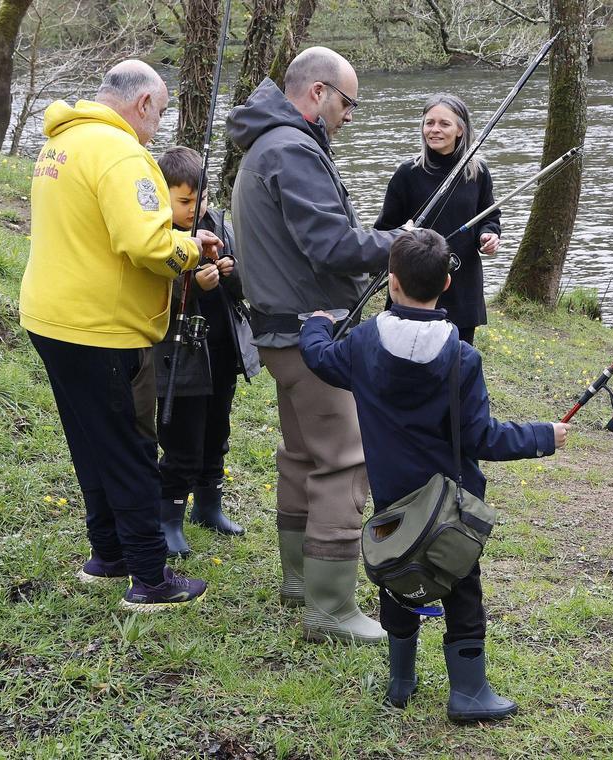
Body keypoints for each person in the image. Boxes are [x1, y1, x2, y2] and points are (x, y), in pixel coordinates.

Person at [299, 229, 570, 722]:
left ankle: (401, 683)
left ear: (392, 281)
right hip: (451, 505)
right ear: (447, 283)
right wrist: (542, 436)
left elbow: (320, 358)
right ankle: (468, 693)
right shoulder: (461, 357)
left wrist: (316, 325)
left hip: (392, 501)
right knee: (462, 587)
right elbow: (483, 437)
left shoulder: (362, 343)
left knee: (398, 577)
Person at [20, 60, 224, 610]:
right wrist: (189, 249)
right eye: (160, 112)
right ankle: (150, 578)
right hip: (101, 328)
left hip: (50, 316)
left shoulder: (61, 143)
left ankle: (107, 553)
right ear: (141, 104)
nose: (158, 125)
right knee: (132, 448)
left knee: (91, 441)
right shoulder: (121, 153)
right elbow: (148, 246)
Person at [226, 46, 403, 643]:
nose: (349, 115)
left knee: (301, 455)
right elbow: (331, 246)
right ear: (318, 93)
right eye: (347, 102)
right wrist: (398, 244)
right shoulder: (293, 150)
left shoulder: (266, 145)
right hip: (311, 336)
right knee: (342, 462)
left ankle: (300, 582)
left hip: (283, 335)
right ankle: (331, 610)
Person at [153, 146, 261, 558]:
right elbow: (156, 296)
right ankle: (169, 518)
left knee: (217, 432)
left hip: (221, 353)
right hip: (179, 359)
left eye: (198, 201)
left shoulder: (219, 226)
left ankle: (208, 506)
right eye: (182, 202)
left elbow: (244, 289)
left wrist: (231, 271)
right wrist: (194, 284)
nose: (192, 211)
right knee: (183, 442)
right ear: (162, 196)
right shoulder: (158, 235)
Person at [375, 94, 500, 346]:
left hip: (462, 284)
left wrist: (488, 234)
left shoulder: (477, 172)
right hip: (414, 286)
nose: (434, 130)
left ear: (460, 130)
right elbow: (384, 229)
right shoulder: (406, 173)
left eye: (444, 124)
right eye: (429, 123)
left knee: (458, 361)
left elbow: (490, 216)